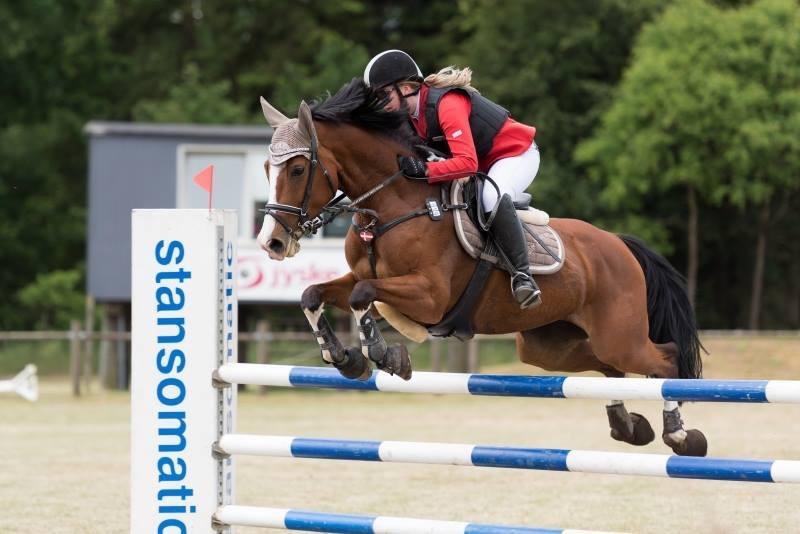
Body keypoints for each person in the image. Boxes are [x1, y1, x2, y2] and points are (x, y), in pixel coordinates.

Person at [363, 49, 542, 309]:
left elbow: (467, 164)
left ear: (405, 88)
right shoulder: (409, 117)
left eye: (382, 96)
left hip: (515, 153)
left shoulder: (447, 104)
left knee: (490, 196)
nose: (380, 105)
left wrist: (425, 170)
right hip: (482, 164)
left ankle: (522, 276)